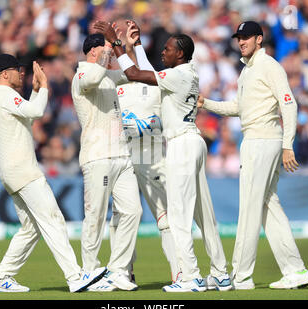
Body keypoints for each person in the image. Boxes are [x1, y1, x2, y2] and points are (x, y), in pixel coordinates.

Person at [94, 21, 232, 292]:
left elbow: (136, 73)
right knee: (204, 213)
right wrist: (138, 45)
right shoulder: (187, 72)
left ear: (179, 54)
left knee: (178, 216)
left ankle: (189, 276)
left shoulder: (177, 75)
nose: (163, 53)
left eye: (168, 49)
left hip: (179, 144)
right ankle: (221, 273)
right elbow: (149, 72)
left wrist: (118, 43)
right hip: (192, 140)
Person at [197, 21, 308, 290]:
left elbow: (289, 104)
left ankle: (240, 275)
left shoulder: (268, 65)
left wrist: (288, 144)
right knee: (267, 206)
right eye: (239, 37)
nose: (242, 42)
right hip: (256, 139)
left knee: (249, 207)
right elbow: (239, 107)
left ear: (259, 39)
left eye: (247, 37)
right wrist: (207, 103)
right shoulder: (247, 70)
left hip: (262, 140)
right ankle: (295, 270)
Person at [0, 53, 105, 293]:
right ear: (4, 74)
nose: (23, 73)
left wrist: (37, 91)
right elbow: (38, 112)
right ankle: (75, 276)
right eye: (18, 70)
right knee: (53, 220)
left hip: (11, 173)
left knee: (31, 228)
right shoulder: (5, 95)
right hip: (24, 172)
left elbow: (27, 118)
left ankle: (0, 277)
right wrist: (46, 87)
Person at [110, 20, 182, 284]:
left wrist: (133, 45)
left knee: (165, 220)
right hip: (123, 157)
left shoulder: (152, 82)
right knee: (122, 219)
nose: (128, 61)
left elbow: (147, 73)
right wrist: (116, 45)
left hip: (151, 157)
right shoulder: (114, 85)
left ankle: (180, 273)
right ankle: (122, 273)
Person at [71, 34, 143, 291]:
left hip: (122, 156)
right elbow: (92, 78)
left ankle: (117, 270)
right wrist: (109, 50)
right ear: (93, 51)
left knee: (133, 211)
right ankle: (89, 271)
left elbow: (132, 73)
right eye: (105, 47)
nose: (110, 51)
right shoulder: (81, 75)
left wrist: (127, 46)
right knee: (96, 215)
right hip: (97, 156)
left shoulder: (108, 76)